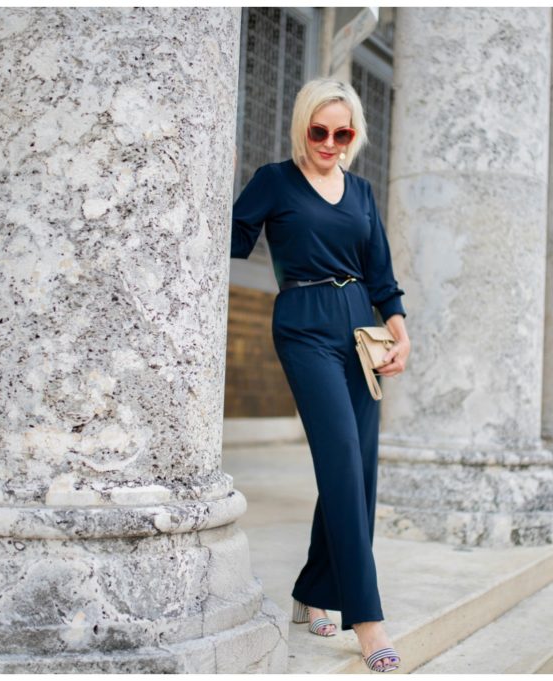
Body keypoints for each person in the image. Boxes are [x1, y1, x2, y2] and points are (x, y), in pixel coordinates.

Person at [230, 78, 411, 673]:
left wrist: (400, 331)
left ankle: (314, 590)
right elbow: (230, 240)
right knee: (338, 457)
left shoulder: (359, 192)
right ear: (302, 126)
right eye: (319, 131)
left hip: (362, 329)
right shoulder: (275, 181)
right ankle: (368, 619)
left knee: (356, 469)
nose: (330, 143)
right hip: (303, 322)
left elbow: (381, 274)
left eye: (343, 133)